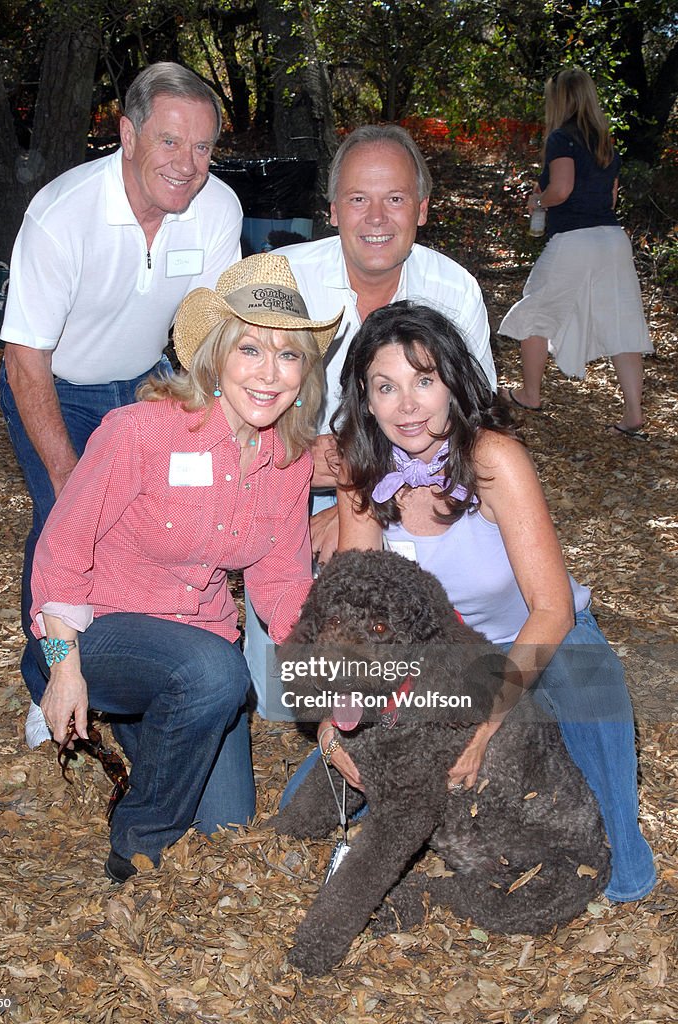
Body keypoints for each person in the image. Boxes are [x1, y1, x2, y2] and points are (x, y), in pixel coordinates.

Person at [291, 300, 653, 904]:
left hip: (539, 632)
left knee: (591, 680)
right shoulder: (364, 470)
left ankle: (623, 857)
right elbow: (351, 623)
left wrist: (487, 721)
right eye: (387, 386)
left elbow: (553, 607)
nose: (407, 405)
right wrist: (332, 726)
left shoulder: (493, 460)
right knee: (309, 799)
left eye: (424, 381)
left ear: (453, 382)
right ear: (364, 398)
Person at [28, 253, 343, 883]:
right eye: (251, 349)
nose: (269, 372)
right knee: (216, 673)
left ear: (305, 373)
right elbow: (62, 545)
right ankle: (137, 839)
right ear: (216, 358)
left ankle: (150, 732)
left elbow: (282, 584)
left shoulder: (288, 461)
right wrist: (63, 670)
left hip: (196, 649)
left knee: (226, 823)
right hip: (97, 633)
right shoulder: (141, 431)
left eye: (289, 356)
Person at [0, 63, 244, 738]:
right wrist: (67, 475)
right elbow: (25, 359)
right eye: (170, 142)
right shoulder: (62, 213)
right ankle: (48, 673)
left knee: (148, 525)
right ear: (128, 134)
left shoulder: (218, 208)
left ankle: (137, 657)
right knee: (65, 523)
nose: (187, 165)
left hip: (143, 381)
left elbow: (211, 335)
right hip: (55, 384)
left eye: (202, 148)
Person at [244, 124, 498, 717]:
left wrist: (353, 502)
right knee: (284, 701)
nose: (376, 217)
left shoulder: (453, 291)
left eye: (396, 199)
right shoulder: (283, 283)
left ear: (423, 209)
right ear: (332, 210)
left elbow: (473, 427)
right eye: (358, 198)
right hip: (283, 482)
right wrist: (340, 490)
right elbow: (236, 428)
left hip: (416, 480)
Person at [499, 68, 652, 437]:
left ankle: (530, 394)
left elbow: (562, 189)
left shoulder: (561, 138)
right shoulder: (604, 141)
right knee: (623, 321)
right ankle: (633, 415)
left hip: (574, 239)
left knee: (535, 307)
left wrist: (538, 199)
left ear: (560, 99)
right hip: (612, 238)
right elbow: (611, 196)